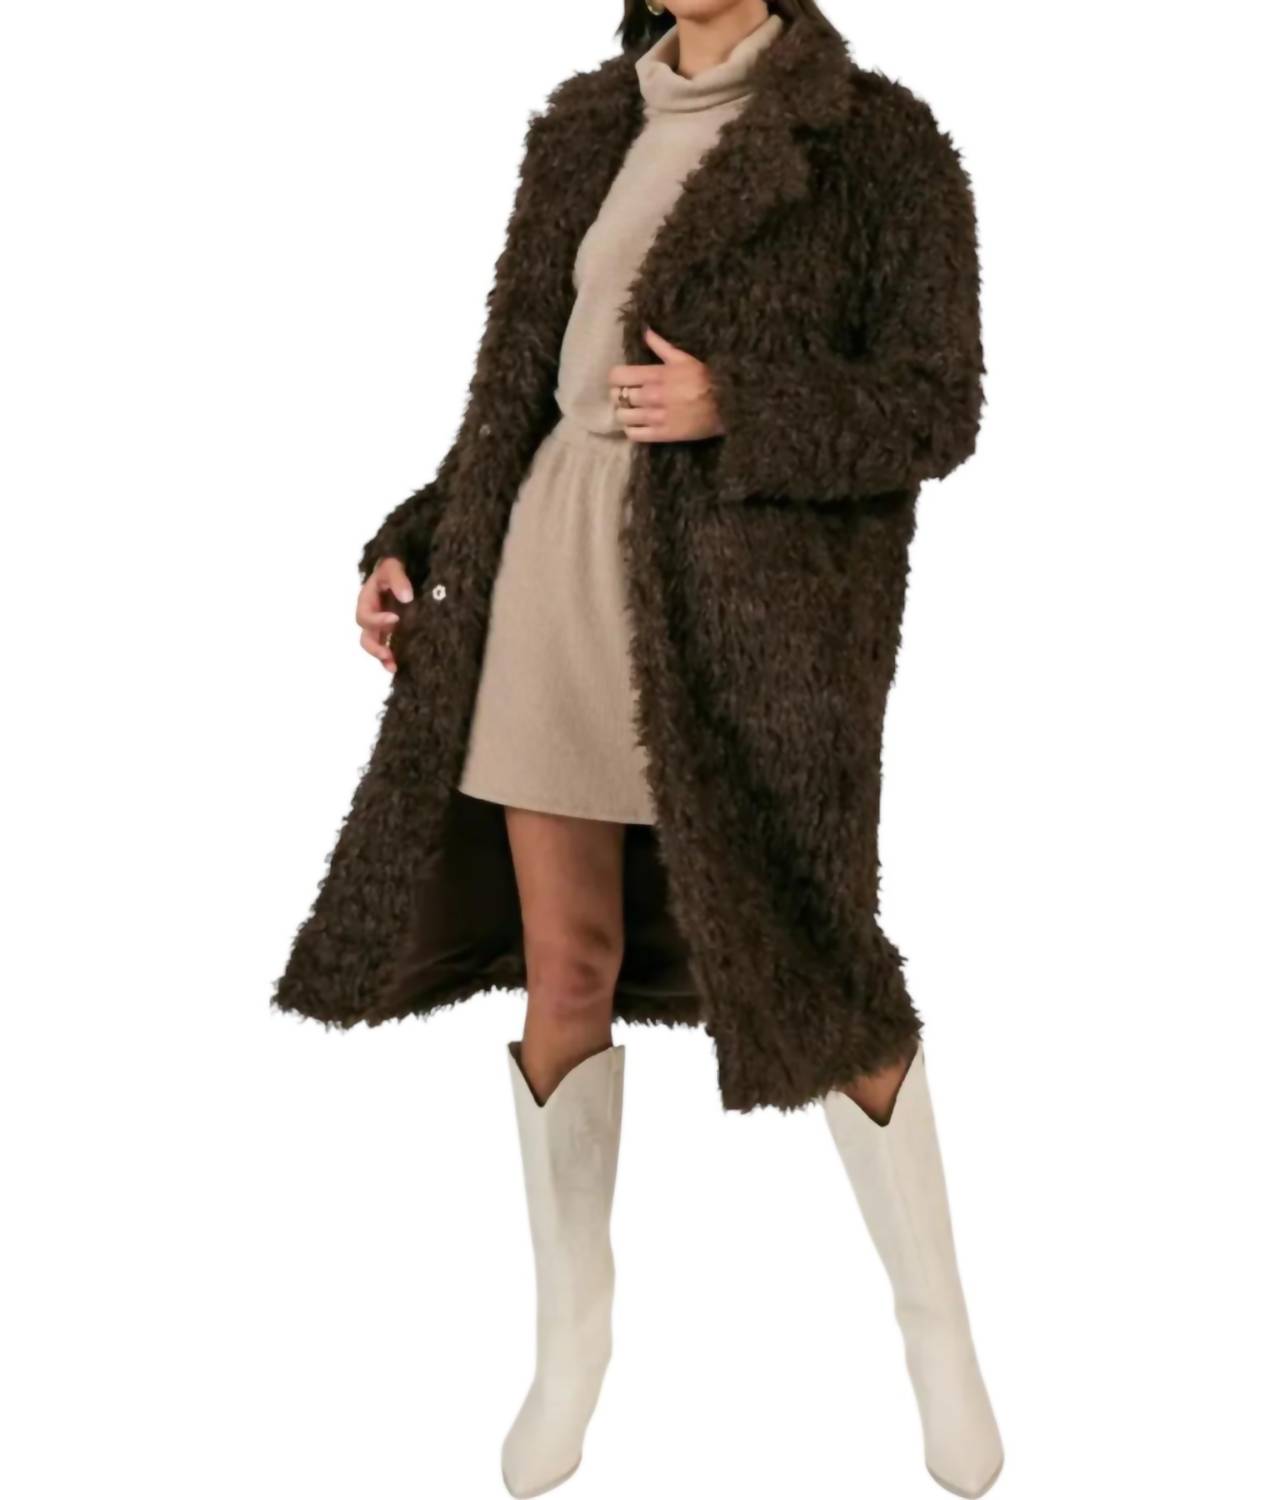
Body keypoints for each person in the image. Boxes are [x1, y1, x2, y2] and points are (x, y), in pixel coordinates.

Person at [274, 2, 1002, 1495]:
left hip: (744, 628)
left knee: (818, 968)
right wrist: (416, 538)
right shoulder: (584, 126)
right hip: (547, 577)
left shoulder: (879, 142)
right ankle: (572, 1355)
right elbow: (511, 395)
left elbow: (938, 407)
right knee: (566, 969)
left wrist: (741, 402)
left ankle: (938, 1337)